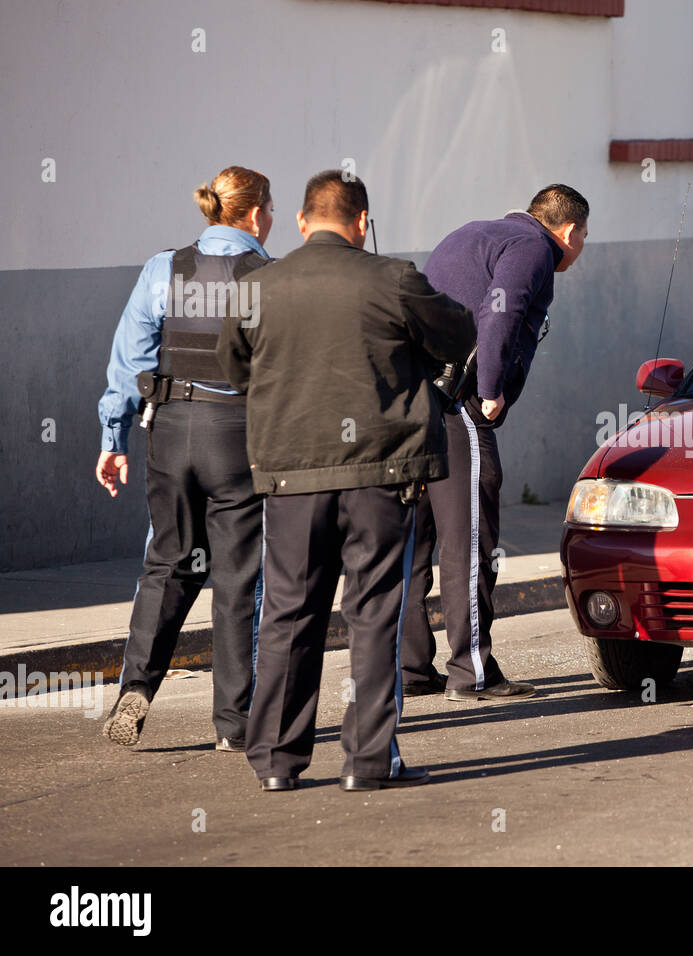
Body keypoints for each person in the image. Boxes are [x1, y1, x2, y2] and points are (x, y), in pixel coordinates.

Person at [216, 170, 474, 792]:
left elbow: (233, 367)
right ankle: (367, 761)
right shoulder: (395, 278)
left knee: (288, 613)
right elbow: (461, 333)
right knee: (374, 613)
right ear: (362, 222)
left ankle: (276, 763)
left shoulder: (257, 285)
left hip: (291, 475)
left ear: (303, 223)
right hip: (381, 474)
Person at [96, 166, 274, 751]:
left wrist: (112, 438)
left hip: (169, 432)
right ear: (253, 214)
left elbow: (131, 357)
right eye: (268, 210)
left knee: (168, 562)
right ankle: (233, 723)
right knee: (237, 575)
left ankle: (135, 692)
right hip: (235, 434)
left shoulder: (164, 267)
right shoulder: (267, 277)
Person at [400, 184, 588, 702]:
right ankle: (471, 672)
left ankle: (410, 667)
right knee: (470, 542)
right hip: (458, 404)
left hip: (413, 407)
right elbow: (499, 314)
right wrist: (488, 392)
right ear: (568, 231)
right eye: (583, 236)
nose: (579, 246)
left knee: (413, 541)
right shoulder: (533, 248)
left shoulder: (471, 232)